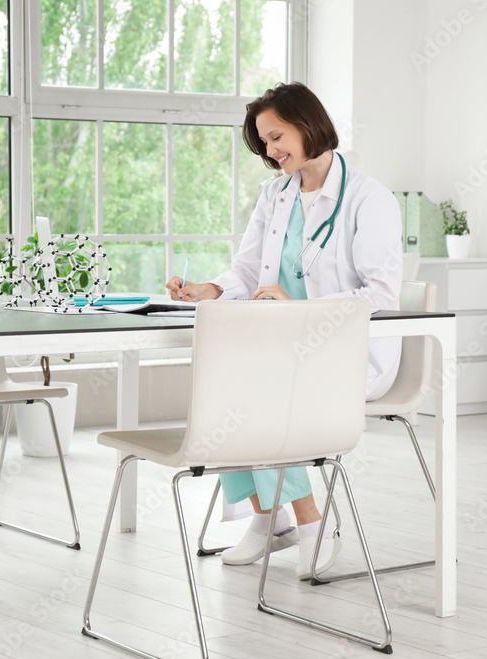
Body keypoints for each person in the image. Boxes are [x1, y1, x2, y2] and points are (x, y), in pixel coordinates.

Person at [165, 82, 402, 580]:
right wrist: (208, 288)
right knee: (224, 384)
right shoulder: (275, 195)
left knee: (261, 389)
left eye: (276, 138)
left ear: (307, 124)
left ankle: (311, 523)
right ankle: (268, 517)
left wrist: (299, 306)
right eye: (263, 145)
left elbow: (381, 295)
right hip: (280, 344)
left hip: (343, 349)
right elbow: (249, 274)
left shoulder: (368, 198)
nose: (271, 153)